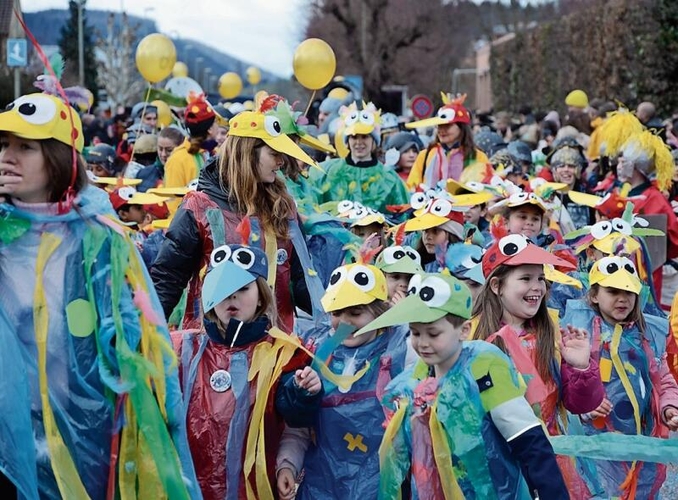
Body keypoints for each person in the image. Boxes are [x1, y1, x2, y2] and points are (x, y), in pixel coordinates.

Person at [0, 92, 199, 498]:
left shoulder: (100, 242)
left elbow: (140, 347)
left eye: (25, 147)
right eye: (4, 144)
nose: (8, 156)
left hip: (83, 435)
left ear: (59, 158)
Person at [354, 272, 569, 499]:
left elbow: (527, 438)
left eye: (434, 333)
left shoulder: (483, 368)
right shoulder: (412, 383)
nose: (423, 343)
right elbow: (405, 459)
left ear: (464, 331)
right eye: (416, 333)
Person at [151, 109, 326, 334]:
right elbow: (167, 279)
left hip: (274, 349)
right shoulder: (198, 207)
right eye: (274, 153)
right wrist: (145, 338)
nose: (281, 161)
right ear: (248, 153)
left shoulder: (284, 206)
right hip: (213, 350)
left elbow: (301, 281)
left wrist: (347, 309)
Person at [173, 243, 323, 499]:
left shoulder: (283, 354)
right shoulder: (181, 349)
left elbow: (293, 418)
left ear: (261, 296)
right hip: (188, 485)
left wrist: (302, 391)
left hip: (250, 489)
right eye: (223, 290)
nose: (233, 297)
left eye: (243, 288)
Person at [472, 232, 606, 497]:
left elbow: (578, 404)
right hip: (498, 459)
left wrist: (580, 368)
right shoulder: (472, 337)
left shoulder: (551, 332)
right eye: (525, 278)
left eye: (541, 279)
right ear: (497, 286)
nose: (537, 287)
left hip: (548, 457)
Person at [276, 259, 409, 499]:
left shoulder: (400, 351)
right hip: (322, 484)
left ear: (379, 313)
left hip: (378, 485)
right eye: (337, 313)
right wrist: (287, 464)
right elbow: (299, 428)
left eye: (356, 313)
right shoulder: (318, 352)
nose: (345, 322)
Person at [561, 255, 678, 498]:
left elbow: (663, 378)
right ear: (594, 295)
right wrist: (586, 408)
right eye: (613, 291)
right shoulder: (580, 334)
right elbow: (566, 382)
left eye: (629, 291)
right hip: (597, 439)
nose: (622, 298)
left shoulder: (647, 334)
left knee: (643, 491)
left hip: (642, 439)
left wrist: (669, 408)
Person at [309, 101, 409, 212]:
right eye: (354, 137)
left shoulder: (390, 179)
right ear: (348, 141)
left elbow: (402, 215)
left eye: (365, 137)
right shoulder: (325, 172)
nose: (359, 142)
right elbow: (310, 207)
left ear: (374, 141)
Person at [405, 93, 489, 188]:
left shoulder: (478, 156)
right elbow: (412, 188)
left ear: (461, 128)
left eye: (447, 126)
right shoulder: (425, 155)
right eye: (439, 126)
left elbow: (487, 187)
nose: (441, 130)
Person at [164, 92, 217, 214]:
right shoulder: (178, 159)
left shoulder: (215, 153)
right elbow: (173, 203)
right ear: (209, 129)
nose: (218, 126)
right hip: (190, 229)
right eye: (215, 122)